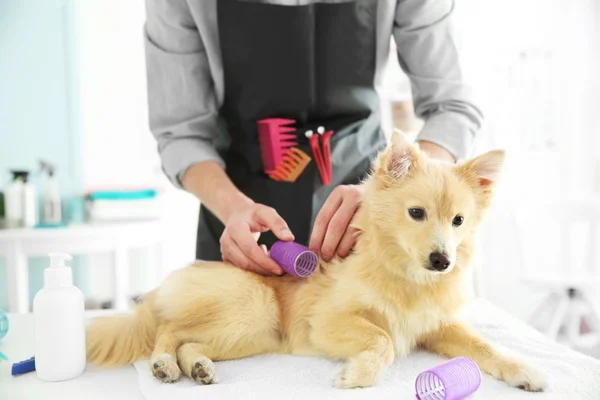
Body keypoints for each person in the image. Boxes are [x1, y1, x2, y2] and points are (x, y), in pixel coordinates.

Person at [143, 0, 483, 276]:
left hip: (364, 225)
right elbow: (181, 132)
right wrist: (233, 208)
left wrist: (390, 192)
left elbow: (452, 108)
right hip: (241, 225)